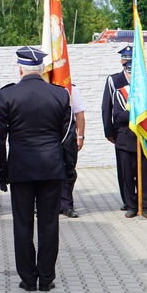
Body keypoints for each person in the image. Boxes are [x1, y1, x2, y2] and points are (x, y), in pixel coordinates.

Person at [0, 47, 73, 292]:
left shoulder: (7, 95)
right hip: (51, 168)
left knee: (23, 224)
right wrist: (69, 168)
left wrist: (1, 170)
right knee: (49, 223)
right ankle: (46, 278)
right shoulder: (60, 94)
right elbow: (68, 137)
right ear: (42, 69)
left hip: (21, 168)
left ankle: (28, 278)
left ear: (20, 69)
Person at [108, 59, 147, 218]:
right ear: (125, 72)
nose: (132, 75)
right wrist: (138, 114)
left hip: (145, 139)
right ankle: (131, 206)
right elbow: (117, 115)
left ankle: (145, 206)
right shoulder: (120, 92)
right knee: (126, 175)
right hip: (125, 140)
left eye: (135, 72)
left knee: (145, 175)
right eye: (129, 72)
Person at [102, 46, 133, 211]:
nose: (128, 60)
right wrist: (109, 131)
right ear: (121, 60)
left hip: (141, 131)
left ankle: (141, 201)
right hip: (122, 130)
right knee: (124, 170)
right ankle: (128, 201)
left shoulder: (144, 78)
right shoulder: (114, 80)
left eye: (131, 57)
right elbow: (106, 107)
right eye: (125, 58)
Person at [60, 85, 86, 218]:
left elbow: (79, 113)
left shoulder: (70, 88)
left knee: (69, 171)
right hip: (48, 136)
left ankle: (67, 205)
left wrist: (80, 136)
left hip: (68, 136)